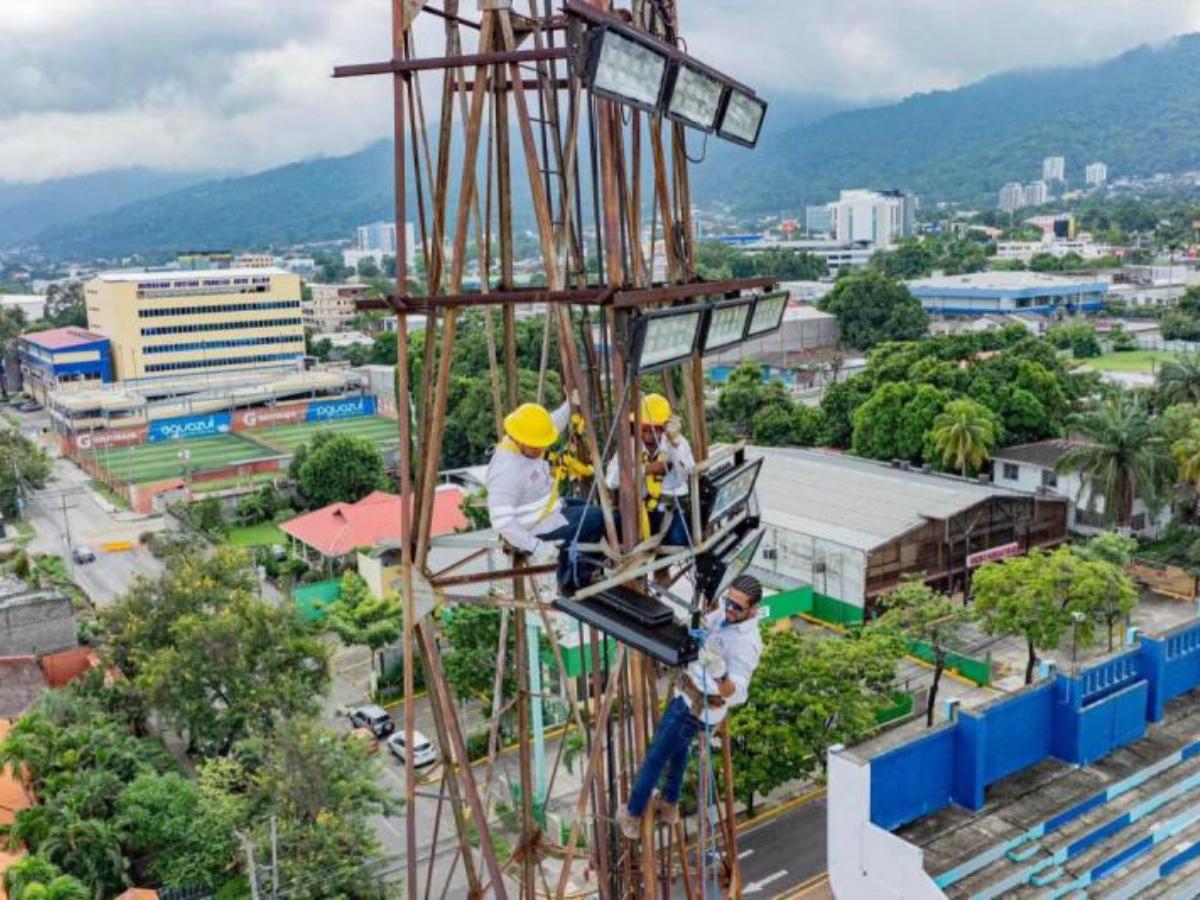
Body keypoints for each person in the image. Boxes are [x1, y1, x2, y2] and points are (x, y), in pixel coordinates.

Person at [616, 574, 765, 838]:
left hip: (695, 708)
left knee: (656, 758)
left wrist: (720, 675)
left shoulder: (747, 644)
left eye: (737, 607)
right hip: (689, 695)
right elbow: (707, 624)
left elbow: (738, 694)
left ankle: (633, 814)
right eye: (729, 602)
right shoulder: (724, 616)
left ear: (752, 609)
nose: (729, 609)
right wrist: (696, 626)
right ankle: (670, 804)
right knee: (678, 752)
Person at [486, 398, 606, 594]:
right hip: (534, 526)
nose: (540, 449)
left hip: (549, 508)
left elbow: (553, 424)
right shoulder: (506, 470)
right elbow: (502, 522)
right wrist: (537, 547)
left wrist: (571, 403)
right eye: (535, 446)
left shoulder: (528, 438)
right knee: (597, 518)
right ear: (518, 439)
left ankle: (581, 566)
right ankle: (574, 581)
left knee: (594, 509)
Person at [604, 393, 696, 550]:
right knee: (614, 536)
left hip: (669, 510)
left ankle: (661, 571)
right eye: (644, 428)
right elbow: (611, 481)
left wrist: (676, 447)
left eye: (653, 428)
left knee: (676, 542)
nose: (647, 434)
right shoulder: (630, 447)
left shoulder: (677, 443)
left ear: (664, 426)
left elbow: (686, 472)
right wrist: (645, 470)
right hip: (639, 512)